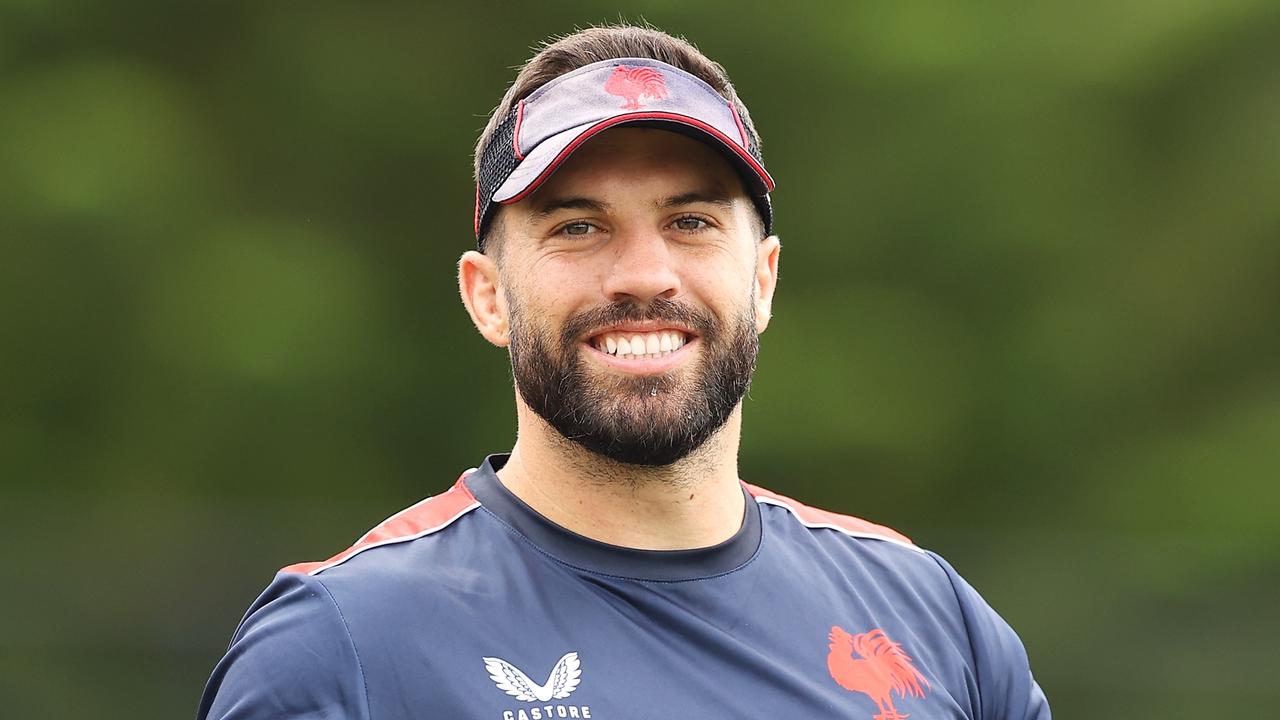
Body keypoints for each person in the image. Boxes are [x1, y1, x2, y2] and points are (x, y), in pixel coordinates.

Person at [198, 24, 1050, 720]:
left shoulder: (927, 622)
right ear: (487, 295)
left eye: (690, 221)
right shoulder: (346, 646)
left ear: (763, 280)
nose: (645, 274)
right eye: (578, 227)